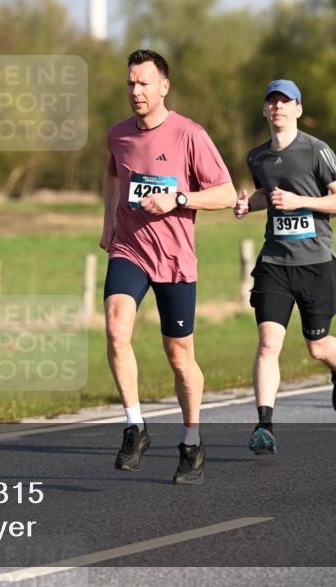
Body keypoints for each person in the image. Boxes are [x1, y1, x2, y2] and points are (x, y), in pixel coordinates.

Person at [101, 49, 236, 485]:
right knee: (116, 328)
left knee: (179, 356)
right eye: (130, 83)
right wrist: (108, 224)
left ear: (164, 86)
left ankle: (192, 441)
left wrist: (179, 199)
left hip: (175, 260)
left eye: (143, 83)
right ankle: (134, 426)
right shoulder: (118, 135)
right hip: (130, 250)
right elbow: (112, 174)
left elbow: (226, 193)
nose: (135, 91)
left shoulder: (189, 134)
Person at [234, 79, 336, 456]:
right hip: (275, 263)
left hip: (315, 263)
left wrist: (299, 201)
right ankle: (264, 426)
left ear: (298, 109)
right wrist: (248, 205)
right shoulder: (257, 157)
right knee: (268, 343)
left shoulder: (317, 151)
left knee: (317, 347)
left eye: (285, 102)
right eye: (272, 102)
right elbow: (266, 194)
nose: (278, 107)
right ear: (265, 110)